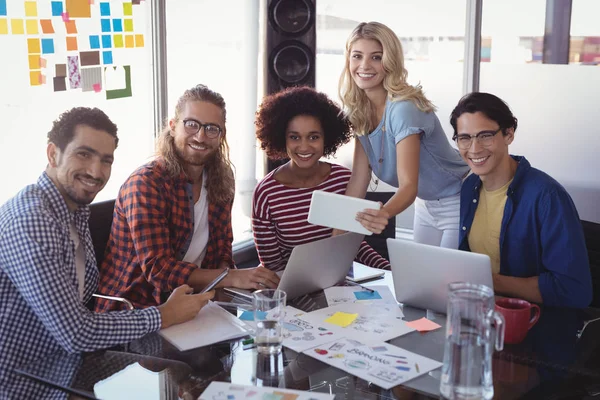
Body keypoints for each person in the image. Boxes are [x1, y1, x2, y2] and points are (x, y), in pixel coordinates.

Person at [0, 107, 214, 399]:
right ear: (53, 154)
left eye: (106, 160)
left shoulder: (73, 211)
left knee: (186, 374)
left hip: (73, 366)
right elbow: (76, 333)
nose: (96, 172)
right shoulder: (33, 220)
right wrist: (163, 315)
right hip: (28, 382)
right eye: (83, 154)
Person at [96, 84, 280, 311]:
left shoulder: (221, 178)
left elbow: (222, 249)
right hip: (137, 311)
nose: (201, 136)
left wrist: (226, 289)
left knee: (272, 321)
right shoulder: (146, 183)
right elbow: (159, 271)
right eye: (192, 125)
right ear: (173, 127)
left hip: (198, 303)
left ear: (221, 135)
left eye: (212, 128)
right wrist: (230, 277)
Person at [451, 92, 592, 308]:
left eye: (485, 135)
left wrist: (490, 281)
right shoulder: (470, 187)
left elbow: (573, 289)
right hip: (481, 313)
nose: (474, 148)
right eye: (465, 138)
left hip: (533, 325)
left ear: (509, 134)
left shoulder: (548, 197)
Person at [337, 22, 469, 248]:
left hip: (458, 198)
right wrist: (336, 237)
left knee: (444, 279)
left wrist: (382, 214)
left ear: (390, 62)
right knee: (419, 278)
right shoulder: (360, 111)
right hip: (425, 203)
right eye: (357, 56)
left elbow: (409, 185)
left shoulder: (403, 109)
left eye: (376, 57)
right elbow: (359, 179)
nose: (364, 65)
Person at [253, 86, 390, 271]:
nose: (304, 146)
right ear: (281, 138)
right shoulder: (266, 193)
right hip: (291, 289)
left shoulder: (344, 181)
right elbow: (272, 267)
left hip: (339, 284)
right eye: (294, 137)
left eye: (313, 137)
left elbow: (352, 245)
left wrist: (389, 270)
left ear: (326, 138)